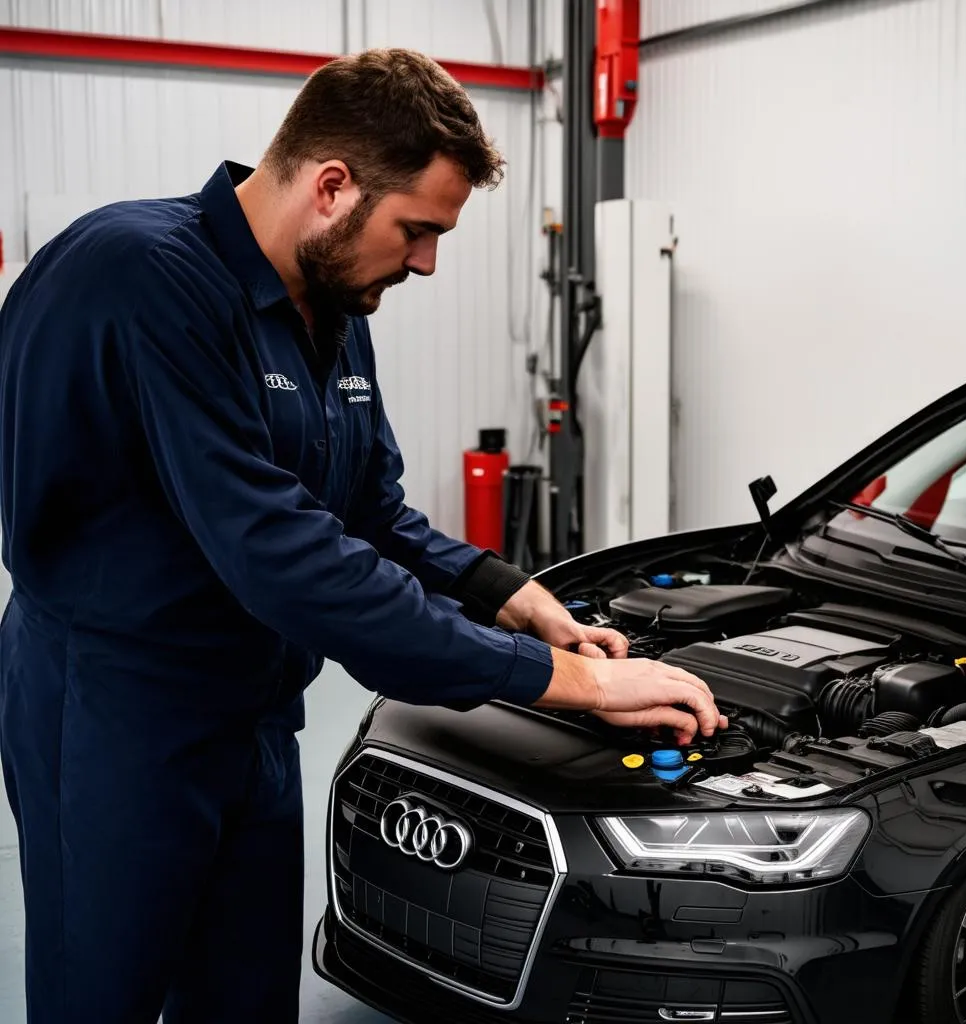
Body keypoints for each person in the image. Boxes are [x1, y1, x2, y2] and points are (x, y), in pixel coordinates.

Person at [0, 48, 725, 1024]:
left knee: (248, 998)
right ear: (333, 185)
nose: (425, 261)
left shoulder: (335, 305)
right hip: (115, 714)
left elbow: (368, 506)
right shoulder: (141, 277)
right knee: (103, 997)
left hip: (253, 710)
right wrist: (569, 683)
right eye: (417, 229)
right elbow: (284, 551)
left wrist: (514, 594)